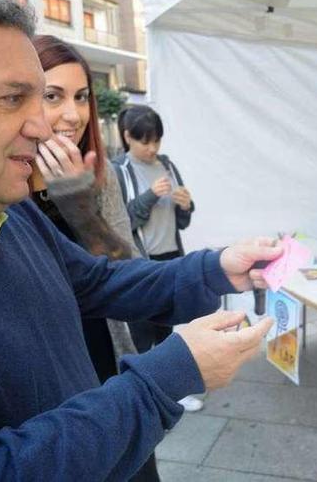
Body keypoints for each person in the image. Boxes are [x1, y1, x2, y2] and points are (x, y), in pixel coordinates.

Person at [0, 0, 279, 479]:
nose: (46, 125)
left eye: (47, 96)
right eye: (14, 98)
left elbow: (97, 282)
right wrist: (167, 376)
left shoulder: (8, 210)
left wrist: (217, 267)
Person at [30, 34, 162, 481]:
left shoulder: (97, 175)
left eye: (82, 96)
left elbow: (129, 270)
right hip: (46, 372)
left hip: (106, 350)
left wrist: (77, 202)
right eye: (53, 96)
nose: (73, 114)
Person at [114, 105, 205, 411]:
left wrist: (185, 205)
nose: (152, 148)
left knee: (167, 329)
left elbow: (183, 222)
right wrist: (150, 195)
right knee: (141, 333)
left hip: (170, 257)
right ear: (128, 137)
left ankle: (173, 391)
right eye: (144, 141)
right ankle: (140, 400)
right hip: (140, 262)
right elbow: (122, 223)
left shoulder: (167, 164)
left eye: (157, 140)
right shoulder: (119, 171)